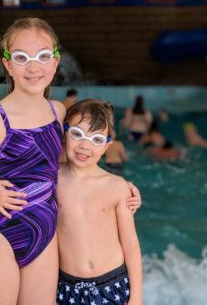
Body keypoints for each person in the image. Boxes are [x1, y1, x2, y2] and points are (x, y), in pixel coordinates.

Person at [0, 17, 141, 305]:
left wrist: (119, 184)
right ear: (7, 63)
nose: (34, 67)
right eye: (22, 58)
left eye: (43, 56)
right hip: (0, 233)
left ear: (56, 62)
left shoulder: (57, 112)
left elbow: (64, 165)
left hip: (44, 235)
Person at [56, 99, 142, 305]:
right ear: (64, 134)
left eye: (96, 139)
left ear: (106, 146)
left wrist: (137, 296)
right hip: (66, 286)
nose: (85, 146)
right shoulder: (52, 180)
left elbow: (130, 244)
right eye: (77, 134)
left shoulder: (116, 186)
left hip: (113, 283)